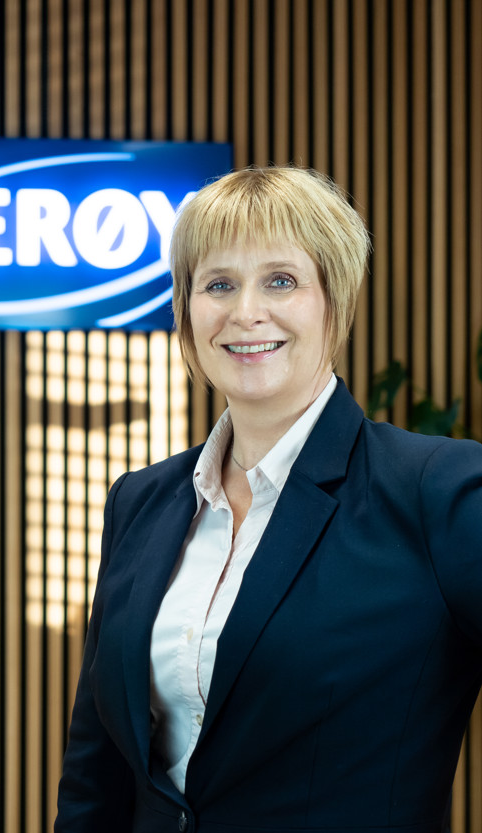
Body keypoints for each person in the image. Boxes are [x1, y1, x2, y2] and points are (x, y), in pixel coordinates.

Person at [54, 166, 482, 833]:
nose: (244, 311)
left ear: (331, 301)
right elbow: (96, 769)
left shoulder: (434, 490)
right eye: (218, 283)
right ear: (186, 308)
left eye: (279, 280)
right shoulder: (139, 501)